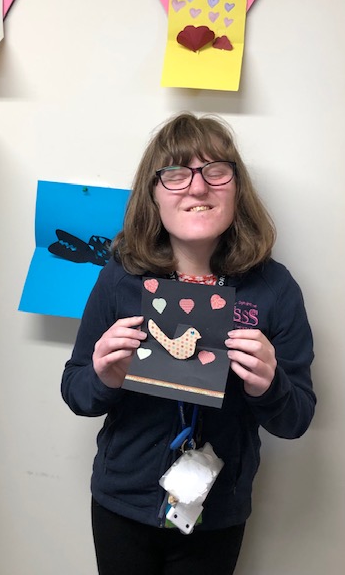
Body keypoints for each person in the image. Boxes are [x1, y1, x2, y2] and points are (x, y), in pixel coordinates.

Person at [61, 113, 316, 575]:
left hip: (216, 513)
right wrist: (102, 377)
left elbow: (297, 419)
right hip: (122, 503)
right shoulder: (121, 278)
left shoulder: (274, 290)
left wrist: (268, 386)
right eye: (176, 174)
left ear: (236, 187)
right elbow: (76, 390)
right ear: (153, 194)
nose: (198, 188)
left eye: (216, 171)